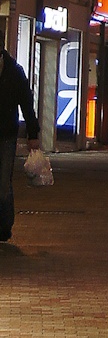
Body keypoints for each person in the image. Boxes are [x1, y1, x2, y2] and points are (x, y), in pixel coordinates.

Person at [0, 41, 41, 242]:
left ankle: (4, 225)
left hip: (6, 134)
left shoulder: (15, 72)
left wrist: (32, 133)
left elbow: (26, 102)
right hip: (6, 132)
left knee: (2, 182)